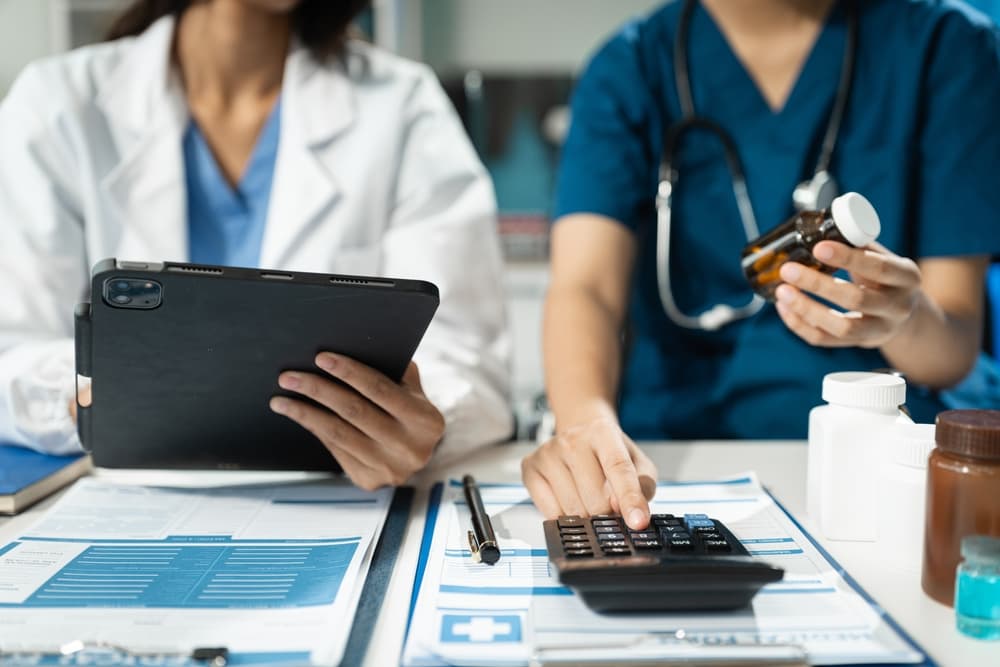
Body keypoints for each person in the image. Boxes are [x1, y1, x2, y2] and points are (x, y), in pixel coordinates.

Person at [521, 0, 1000, 529]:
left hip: (877, 466)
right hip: (669, 455)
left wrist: (904, 318)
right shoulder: (630, 69)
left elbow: (954, 345)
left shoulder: (944, 46)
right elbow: (585, 288)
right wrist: (584, 420)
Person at [0, 0, 513, 489]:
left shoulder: (401, 106)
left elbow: (471, 370)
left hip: (342, 504)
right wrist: (90, 396)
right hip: (120, 505)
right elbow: (10, 349)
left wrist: (417, 423)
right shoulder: (55, 106)